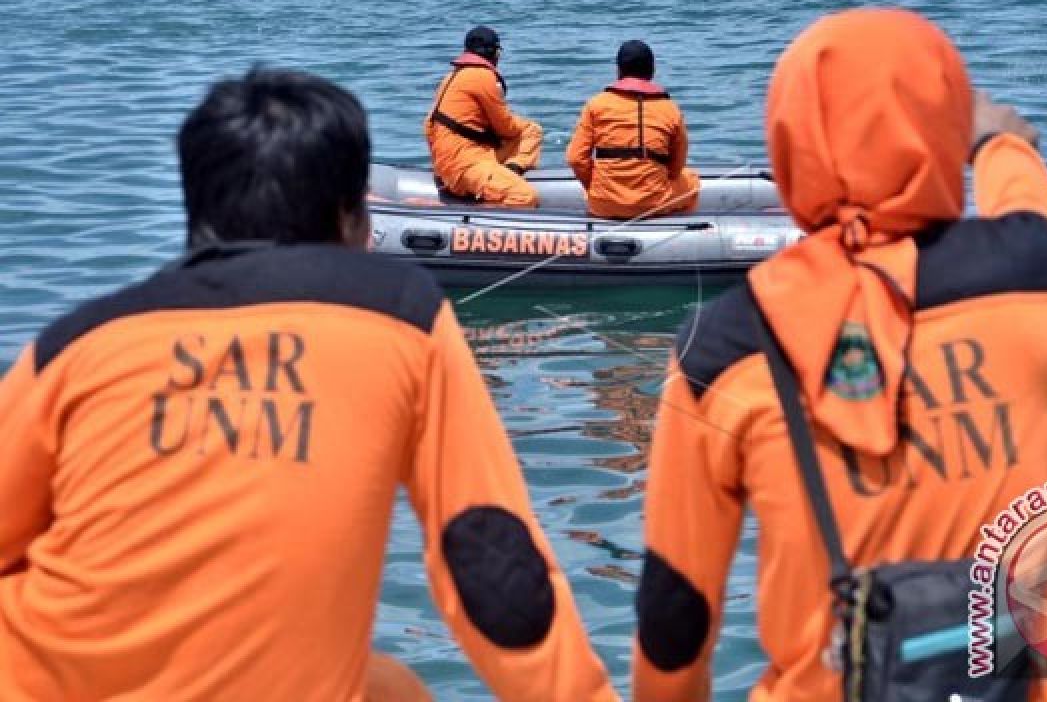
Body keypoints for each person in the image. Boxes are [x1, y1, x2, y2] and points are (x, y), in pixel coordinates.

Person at [0, 68, 616, 701]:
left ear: (196, 214)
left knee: (390, 689)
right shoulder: (398, 314)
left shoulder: (76, 342)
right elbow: (489, 559)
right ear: (354, 218)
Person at [631, 10, 1047, 701]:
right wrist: (994, 141)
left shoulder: (718, 351)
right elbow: (1027, 195)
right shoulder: (1032, 273)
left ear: (790, 140)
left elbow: (674, 613)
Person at [566, 40, 700, 219]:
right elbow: (676, 166)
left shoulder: (596, 104)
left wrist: (594, 185)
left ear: (619, 71)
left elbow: (575, 158)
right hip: (653, 204)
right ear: (652, 71)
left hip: (603, 204)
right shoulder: (670, 109)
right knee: (691, 181)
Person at [425, 26, 543, 208]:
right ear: (494, 53)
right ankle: (469, 212)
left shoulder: (451, 77)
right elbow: (505, 127)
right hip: (465, 165)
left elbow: (428, 127)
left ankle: (504, 174)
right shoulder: (482, 76)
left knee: (530, 131)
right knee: (526, 197)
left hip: (449, 163)